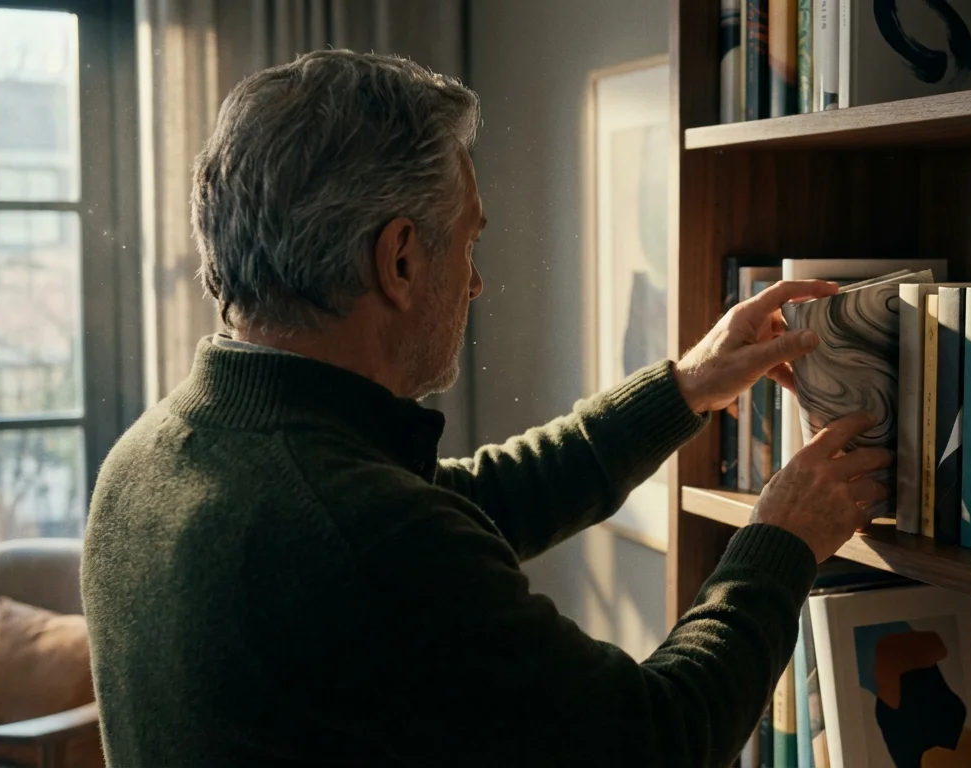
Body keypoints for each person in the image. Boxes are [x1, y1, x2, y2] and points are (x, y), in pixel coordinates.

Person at [82, 50, 890, 768]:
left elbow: (468, 507)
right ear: (400, 260)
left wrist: (685, 388)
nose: (475, 283)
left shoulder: (149, 460)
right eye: (469, 242)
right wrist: (780, 542)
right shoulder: (357, 534)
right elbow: (658, 740)